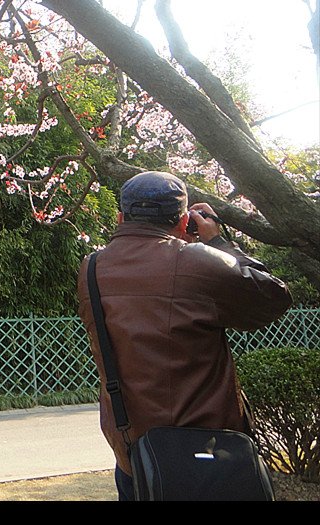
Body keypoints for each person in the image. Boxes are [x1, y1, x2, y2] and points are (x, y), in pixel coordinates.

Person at [76, 171, 293, 501]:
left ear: (121, 217)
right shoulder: (198, 261)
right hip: (206, 454)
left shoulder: (91, 268)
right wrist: (218, 242)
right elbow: (273, 298)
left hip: (135, 454)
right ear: (183, 222)